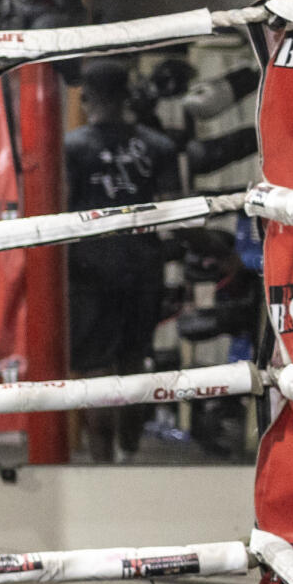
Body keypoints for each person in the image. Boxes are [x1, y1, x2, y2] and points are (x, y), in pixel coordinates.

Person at [63, 58, 180, 461]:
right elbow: (175, 216)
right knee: (135, 359)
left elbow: (58, 212)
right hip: (142, 267)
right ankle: (129, 453)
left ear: (86, 96)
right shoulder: (159, 147)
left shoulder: (72, 148)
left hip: (90, 269)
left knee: (97, 366)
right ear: (127, 95)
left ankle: (103, 463)